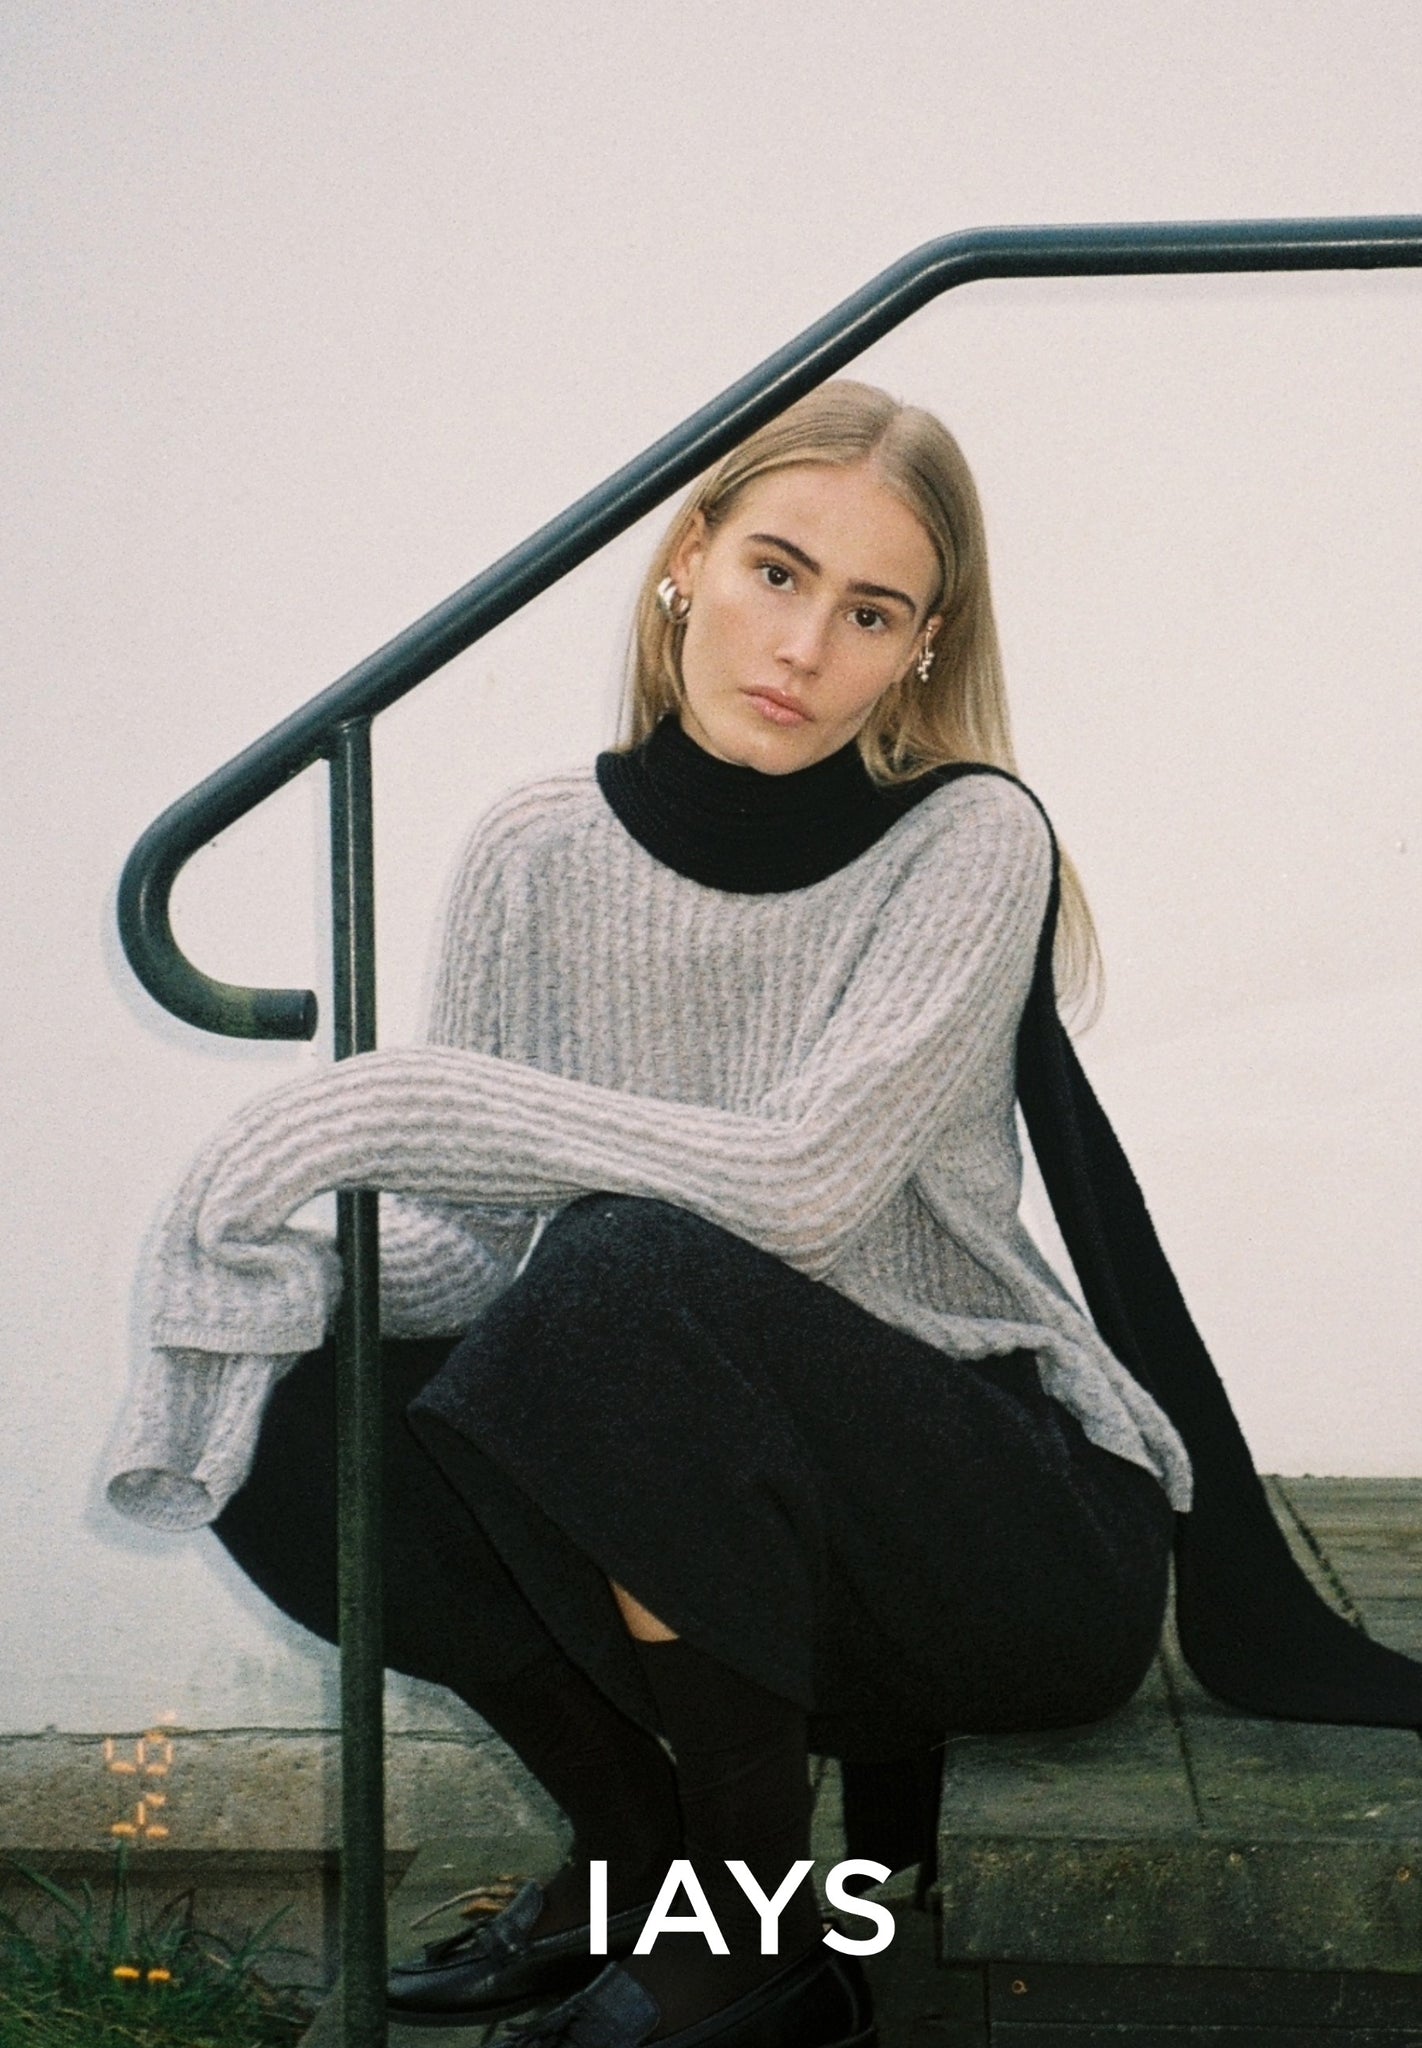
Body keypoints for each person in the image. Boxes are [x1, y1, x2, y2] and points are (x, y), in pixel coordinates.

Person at [110, 378, 1406, 2048]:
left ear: (919, 650)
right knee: (304, 1402)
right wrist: (246, 1272)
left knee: (620, 1272)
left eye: (869, 611)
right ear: (686, 564)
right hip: (696, 1489)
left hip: (984, 1521)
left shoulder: (965, 839)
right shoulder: (531, 848)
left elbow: (794, 1190)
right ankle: (680, 1900)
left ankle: (724, 1968)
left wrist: (370, 1106)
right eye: (775, 574)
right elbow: (463, 1248)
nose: (802, 645)